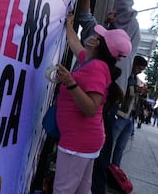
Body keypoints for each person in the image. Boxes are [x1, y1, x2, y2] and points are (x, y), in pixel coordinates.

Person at [76, 0, 140, 194]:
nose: (114, 14)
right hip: (80, 103)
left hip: (105, 107)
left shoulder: (124, 37)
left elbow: (125, 3)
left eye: (118, 13)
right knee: (76, 156)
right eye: (111, 13)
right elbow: (84, 16)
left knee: (98, 162)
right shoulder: (99, 36)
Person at [52, 12, 132, 193]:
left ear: (96, 43)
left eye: (98, 35)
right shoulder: (90, 62)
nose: (94, 36)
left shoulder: (96, 67)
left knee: (62, 190)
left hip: (78, 142)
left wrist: (71, 83)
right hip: (86, 140)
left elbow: (91, 107)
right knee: (82, 190)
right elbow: (74, 44)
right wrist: (69, 25)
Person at [111, 55, 148, 167]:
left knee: (121, 147)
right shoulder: (125, 74)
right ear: (133, 65)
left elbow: (135, 96)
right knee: (110, 143)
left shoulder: (135, 79)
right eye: (139, 69)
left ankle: (115, 169)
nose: (139, 72)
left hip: (130, 116)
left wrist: (142, 92)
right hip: (121, 114)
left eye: (141, 70)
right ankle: (104, 167)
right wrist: (136, 89)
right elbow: (123, 90)